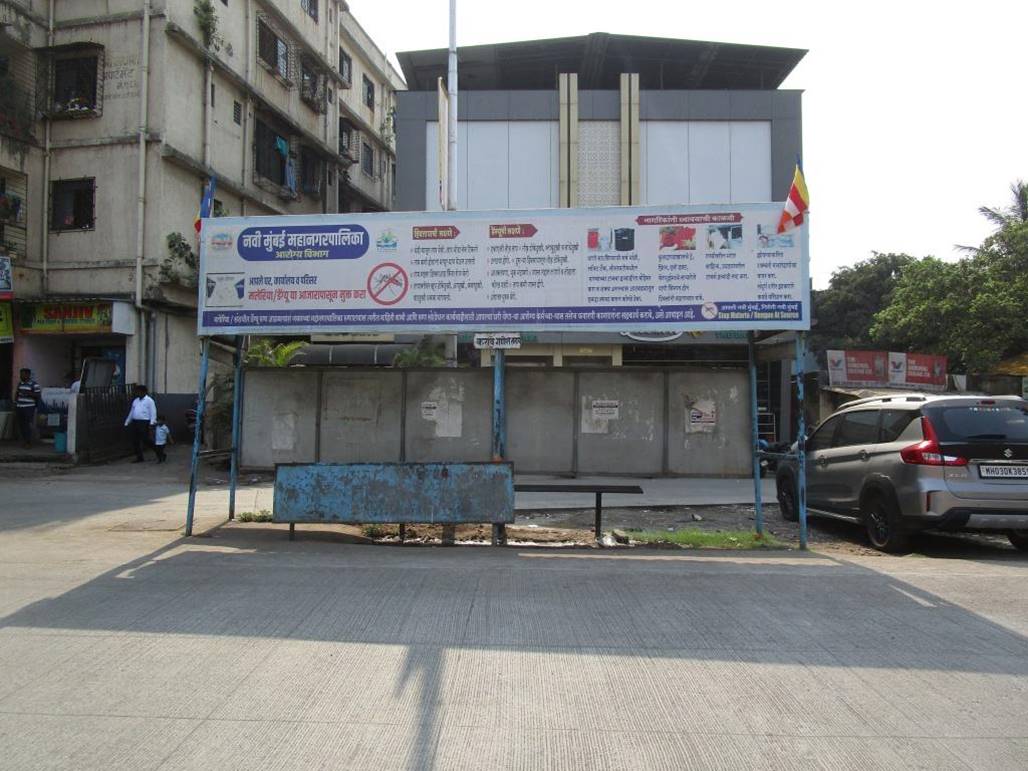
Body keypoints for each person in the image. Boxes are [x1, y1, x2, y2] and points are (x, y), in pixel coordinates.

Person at [124, 384, 157, 463]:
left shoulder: (149, 401)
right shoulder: (135, 401)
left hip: (144, 422)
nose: (138, 393)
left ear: (144, 392)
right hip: (136, 421)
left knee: (146, 439)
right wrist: (127, 421)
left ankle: (158, 450)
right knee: (135, 440)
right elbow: (132, 412)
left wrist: (152, 422)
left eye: (139, 392)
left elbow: (153, 412)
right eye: (137, 392)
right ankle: (139, 457)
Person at [14, 368, 42, 448]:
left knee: (27, 425)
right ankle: (24, 441)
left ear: (28, 375)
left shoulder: (34, 384)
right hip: (20, 407)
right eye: (20, 374)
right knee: (21, 425)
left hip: (29, 407)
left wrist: (28, 393)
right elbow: (17, 394)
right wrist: (15, 403)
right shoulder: (20, 384)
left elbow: (38, 395)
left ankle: (28, 442)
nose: (21, 376)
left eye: (22, 374)